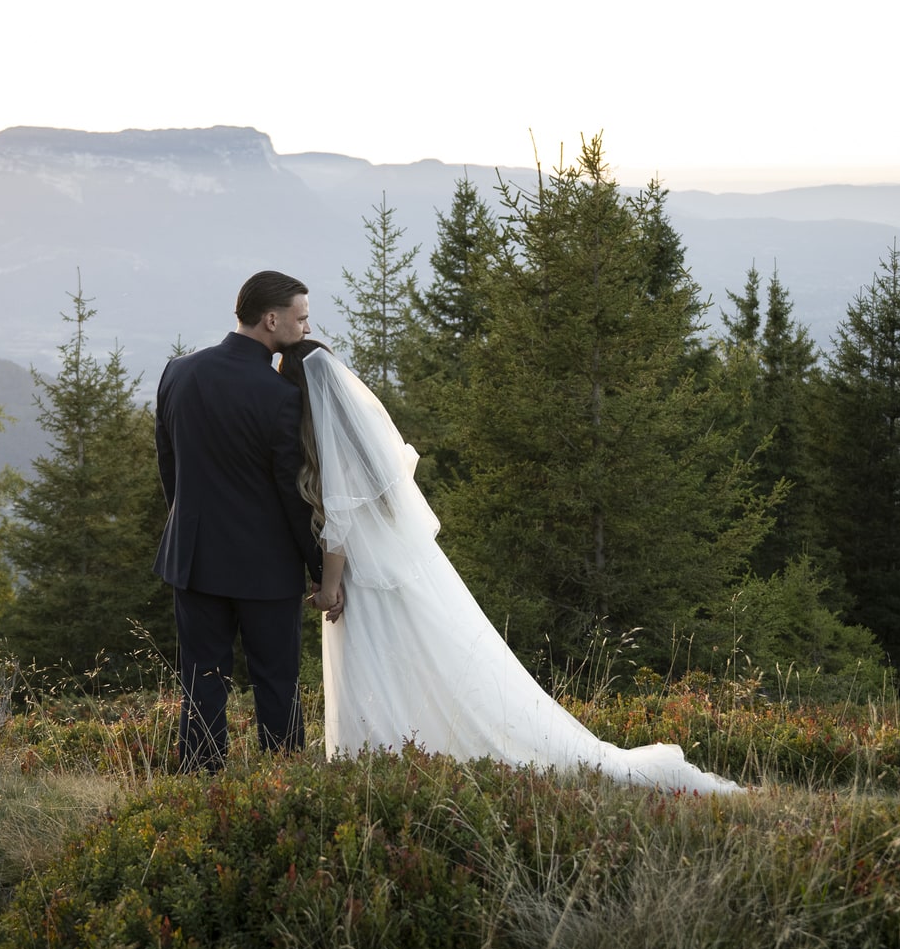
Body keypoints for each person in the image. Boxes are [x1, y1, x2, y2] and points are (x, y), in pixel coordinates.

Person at [282, 338, 741, 795]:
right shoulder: (360, 438)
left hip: (366, 583)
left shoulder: (328, 445)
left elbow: (338, 526)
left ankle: (381, 766)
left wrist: (328, 588)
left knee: (386, 669)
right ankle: (401, 759)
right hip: (401, 574)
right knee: (425, 665)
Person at [155, 270, 323, 772]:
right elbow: (294, 495)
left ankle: (199, 782)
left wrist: (186, 527)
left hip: (194, 557)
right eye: (302, 317)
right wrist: (319, 566)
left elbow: (171, 469)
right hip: (264, 568)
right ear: (272, 320)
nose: (307, 328)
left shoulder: (178, 372)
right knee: (276, 680)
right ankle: (282, 780)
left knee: (201, 678)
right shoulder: (282, 396)